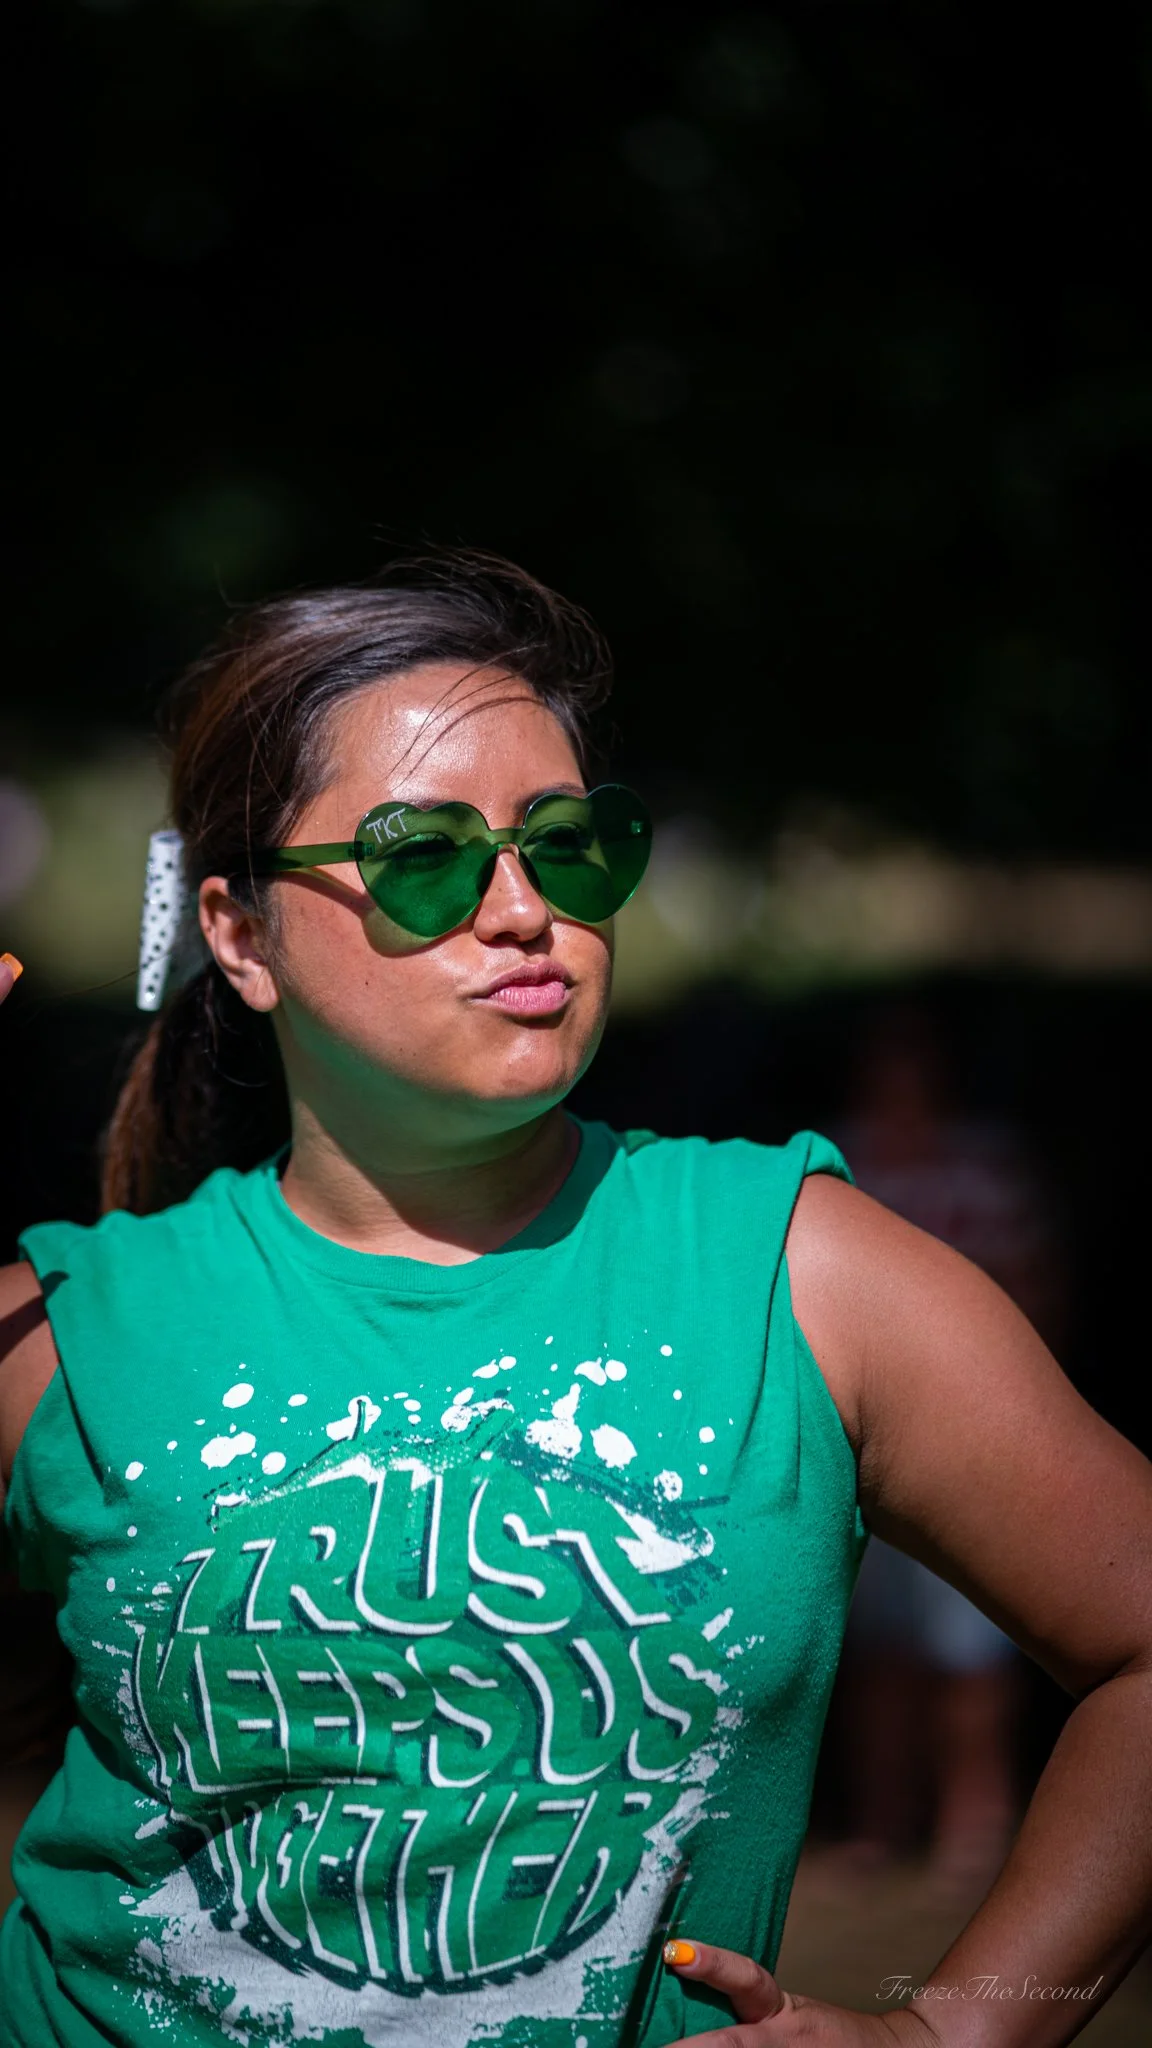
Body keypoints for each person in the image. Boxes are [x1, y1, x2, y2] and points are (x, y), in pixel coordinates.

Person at [0, 547, 1149, 2048]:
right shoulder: (65, 1339)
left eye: (570, 845)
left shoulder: (807, 1282)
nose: (523, 906)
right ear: (239, 935)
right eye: (422, 854)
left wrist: (968, 2030)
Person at [825, 1007, 1065, 1896]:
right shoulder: (837, 1169)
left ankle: (977, 1823)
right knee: (879, 1653)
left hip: (970, 1448)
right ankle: (886, 1825)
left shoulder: (985, 1171)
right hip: (856, 1447)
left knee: (971, 1654)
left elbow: (1036, 1292)